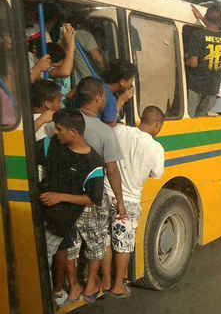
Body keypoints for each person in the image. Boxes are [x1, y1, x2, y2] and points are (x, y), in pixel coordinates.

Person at [45, 77, 126, 301]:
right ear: (99, 98)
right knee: (96, 244)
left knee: (69, 245)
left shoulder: (59, 123)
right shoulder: (105, 132)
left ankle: (73, 286)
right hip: (91, 197)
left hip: (65, 197)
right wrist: (119, 201)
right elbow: (111, 170)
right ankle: (90, 285)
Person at [37, 108, 105, 305]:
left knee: (43, 259)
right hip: (40, 213)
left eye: (59, 129)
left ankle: (44, 301)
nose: (55, 132)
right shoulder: (53, 145)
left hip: (60, 220)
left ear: (73, 132)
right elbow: (21, 147)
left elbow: (93, 198)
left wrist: (60, 197)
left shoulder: (94, 162)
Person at [107, 106, 165, 297]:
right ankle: (117, 286)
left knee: (104, 240)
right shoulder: (156, 148)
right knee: (124, 245)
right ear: (157, 125)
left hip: (106, 194)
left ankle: (105, 279)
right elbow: (156, 174)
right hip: (128, 201)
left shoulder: (119, 130)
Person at [186, 4, 221, 117]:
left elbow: (193, 63)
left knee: (189, 118)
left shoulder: (197, 35)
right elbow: (214, 32)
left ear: (206, 16)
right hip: (212, 88)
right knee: (200, 117)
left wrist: (184, 60)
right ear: (220, 20)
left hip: (195, 85)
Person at [101, 59, 136, 126]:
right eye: (131, 80)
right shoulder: (108, 97)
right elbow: (110, 126)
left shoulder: (97, 82)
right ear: (122, 82)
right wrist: (120, 101)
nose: (132, 83)